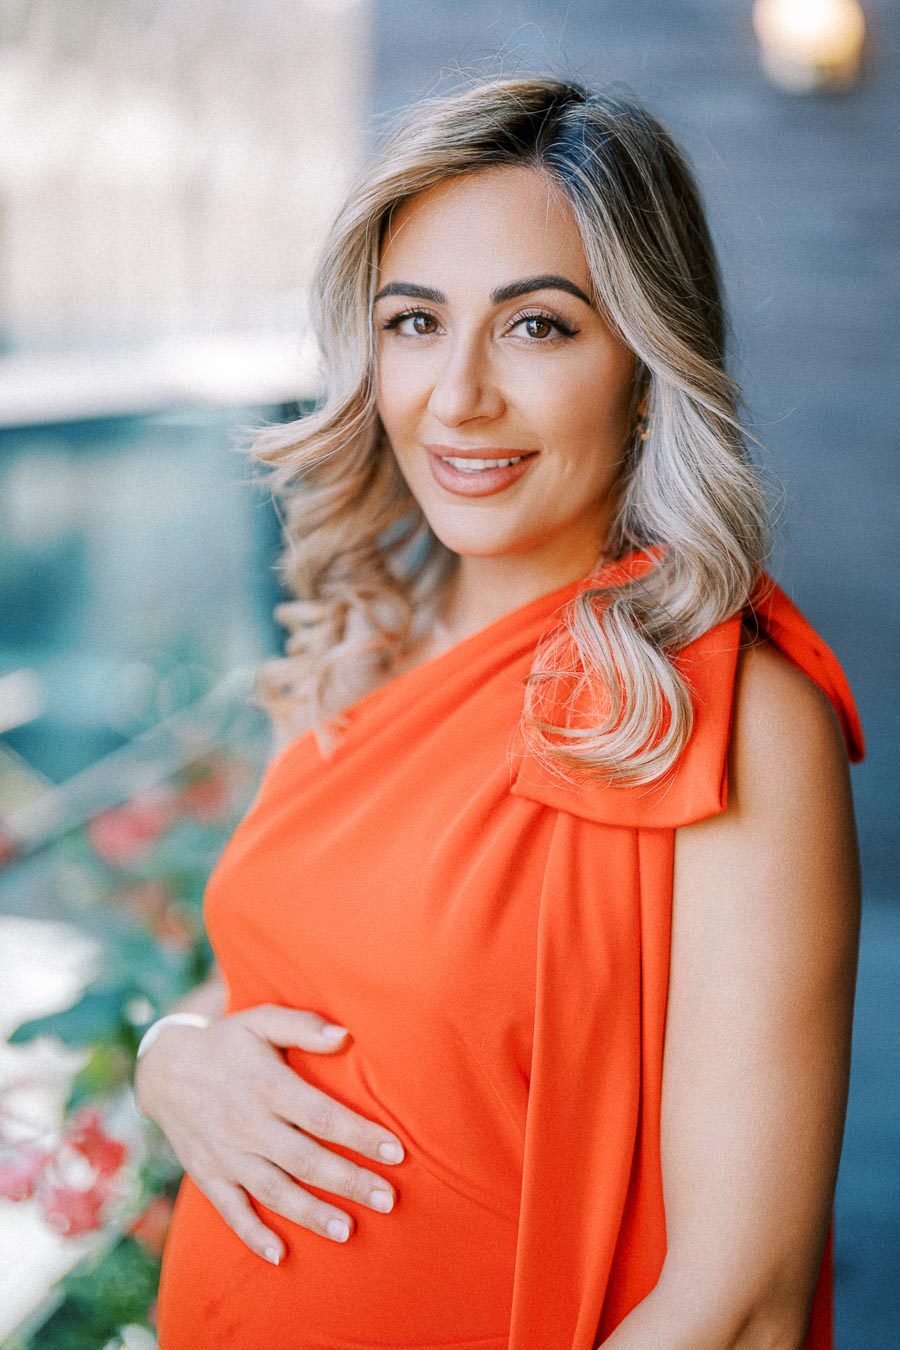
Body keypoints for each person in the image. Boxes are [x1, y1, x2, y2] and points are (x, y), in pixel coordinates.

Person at [134, 75, 863, 1350]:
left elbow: (740, 1303)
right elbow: (282, 976)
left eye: (537, 329)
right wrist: (171, 1054)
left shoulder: (736, 715)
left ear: (646, 364)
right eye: (415, 323)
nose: (458, 396)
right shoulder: (367, 642)